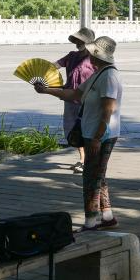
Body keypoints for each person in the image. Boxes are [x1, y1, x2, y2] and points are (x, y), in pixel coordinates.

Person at [35, 36, 123, 230]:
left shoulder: (108, 76)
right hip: (94, 132)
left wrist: (98, 137)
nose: (89, 55)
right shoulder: (99, 73)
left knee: (91, 178)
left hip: (101, 135)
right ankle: (107, 217)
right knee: (99, 175)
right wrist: (47, 90)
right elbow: (74, 93)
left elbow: (108, 110)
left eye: (92, 52)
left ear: (98, 55)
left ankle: (91, 221)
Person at [55, 27, 96, 173]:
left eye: (81, 40)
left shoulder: (94, 58)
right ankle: (82, 158)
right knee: (73, 129)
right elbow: (55, 65)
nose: (78, 43)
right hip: (70, 98)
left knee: (87, 129)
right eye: (77, 40)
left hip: (87, 100)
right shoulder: (71, 56)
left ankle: (87, 160)